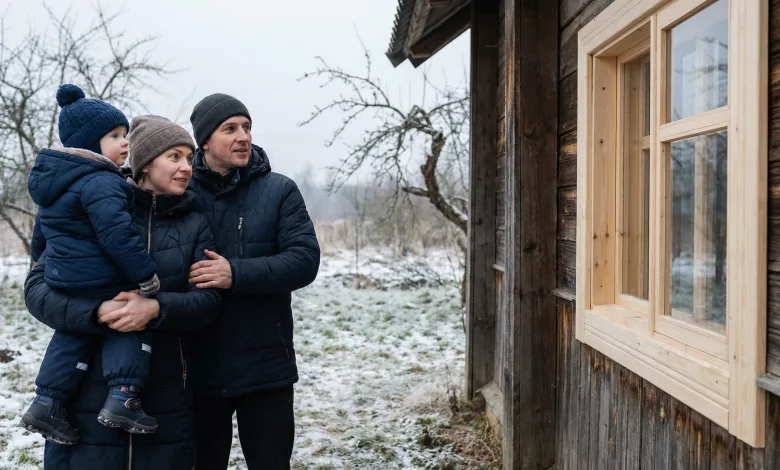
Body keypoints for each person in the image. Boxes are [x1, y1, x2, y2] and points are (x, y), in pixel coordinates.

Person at [24, 114, 221, 470]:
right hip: (84, 397)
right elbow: (37, 291)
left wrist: (155, 309)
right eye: (174, 157)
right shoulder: (94, 206)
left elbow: (207, 303)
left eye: (190, 159)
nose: (186, 167)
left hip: (165, 400)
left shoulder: (195, 224)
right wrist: (95, 312)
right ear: (145, 163)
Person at [21, 85, 162, 444]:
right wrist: (145, 275)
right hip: (99, 276)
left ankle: (47, 402)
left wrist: (43, 265)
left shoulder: (55, 184)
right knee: (128, 319)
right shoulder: (101, 181)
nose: (125, 142)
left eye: (125, 134)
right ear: (89, 144)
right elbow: (117, 234)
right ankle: (123, 396)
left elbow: (41, 238)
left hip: (64, 278)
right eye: (114, 136)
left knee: (73, 332)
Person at [186, 93, 320, 469]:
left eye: (246, 127)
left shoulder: (279, 190)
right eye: (230, 129)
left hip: (266, 366)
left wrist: (235, 273)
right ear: (204, 140)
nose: (243, 136)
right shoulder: (180, 192)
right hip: (197, 368)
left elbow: (304, 261)